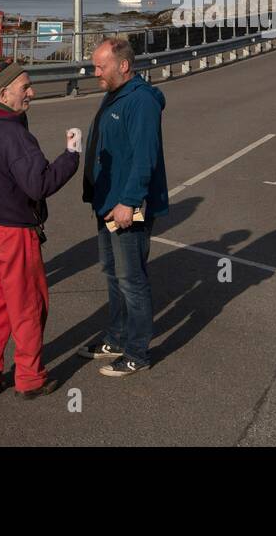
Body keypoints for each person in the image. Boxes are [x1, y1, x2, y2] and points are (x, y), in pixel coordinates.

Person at [0, 63, 79, 400]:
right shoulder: (13, 134)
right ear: (3, 92)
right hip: (12, 233)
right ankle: (29, 378)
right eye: (24, 86)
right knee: (27, 305)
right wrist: (71, 156)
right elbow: (39, 184)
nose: (31, 92)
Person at [77, 37, 168, 377]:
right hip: (107, 205)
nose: (94, 71)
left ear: (124, 66)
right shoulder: (115, 94)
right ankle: (116, 338)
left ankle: (137, 352)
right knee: (114, 274)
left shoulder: (140, 102)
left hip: (127, 208)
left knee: (132, 280)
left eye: (100, 66)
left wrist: (129, 202)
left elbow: (145, 159)